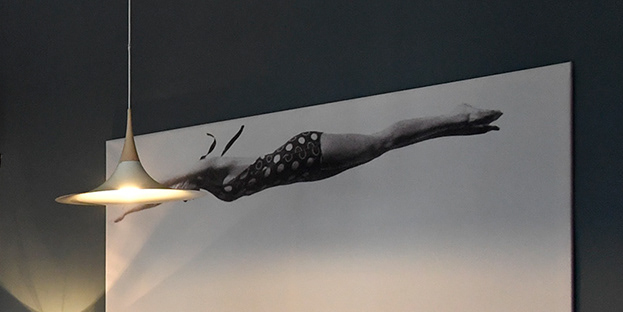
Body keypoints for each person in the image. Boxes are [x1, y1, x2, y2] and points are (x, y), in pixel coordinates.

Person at [116, 106, 502, 220]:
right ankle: (457, 126)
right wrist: (138, 208)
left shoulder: (212, 168)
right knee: (381, 148)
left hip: (305, 151)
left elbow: (162, 182)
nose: (181, 193)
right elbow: (165, 193)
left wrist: (133, 200)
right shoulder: (211, 188)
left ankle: (456, 117)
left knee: (379, 142)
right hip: (308, 171)